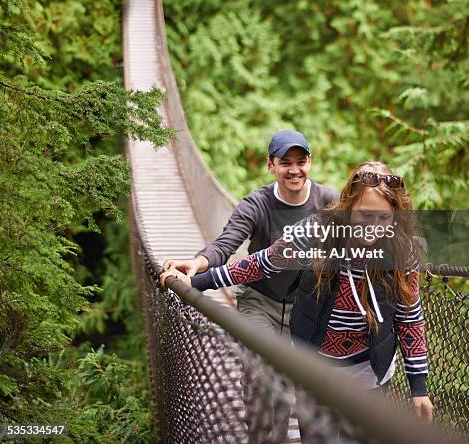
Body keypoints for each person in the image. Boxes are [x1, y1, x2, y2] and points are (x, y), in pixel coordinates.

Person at [161, 161, 433, 441]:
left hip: (369, 375)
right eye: (365, 215)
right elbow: (261, 264)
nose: (373, 228)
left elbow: (409, 318)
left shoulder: (402, 251)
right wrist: (196, 282)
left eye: (384, 218)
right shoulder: (316, 232)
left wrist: (419, 388)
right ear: (349, 206)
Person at [161, 129, 339, 441]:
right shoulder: (257, 204)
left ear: (310, 162)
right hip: (261, 301)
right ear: (271, 166)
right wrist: (197, 264)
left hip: (309, 308)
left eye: (301, 161)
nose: (294, 169)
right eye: (285, 163)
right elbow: (224, 246)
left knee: (305, 386)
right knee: (261, 374)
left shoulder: (329, 202)